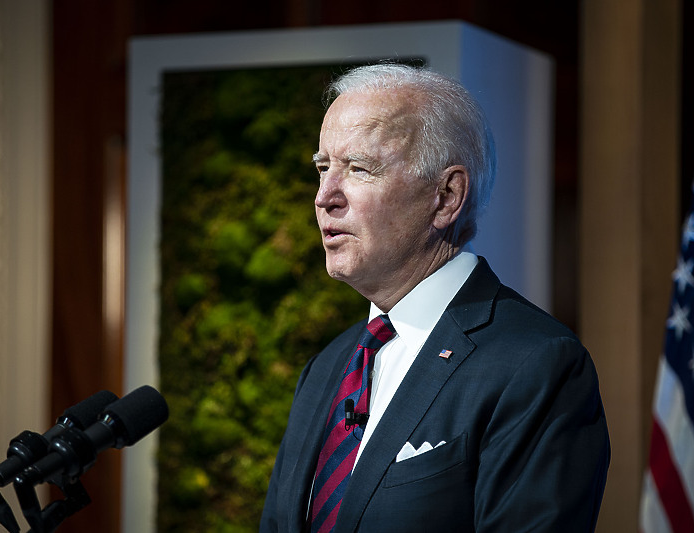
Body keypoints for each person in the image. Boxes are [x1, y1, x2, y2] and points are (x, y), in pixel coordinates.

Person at [260, 63, 609, 533]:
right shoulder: (327, 367)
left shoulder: (537, 365)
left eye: (359, 168)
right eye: (323, 168)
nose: (325, 196)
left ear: (446, 197)